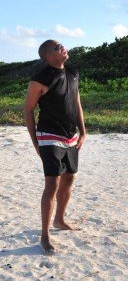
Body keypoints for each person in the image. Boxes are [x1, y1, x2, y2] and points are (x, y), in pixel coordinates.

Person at [24, 40, 86, 254]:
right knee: (52, 184)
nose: (62, 48)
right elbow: (28, 110)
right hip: (49, 135)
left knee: (69, 178)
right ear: (48, 56)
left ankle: (59, 220)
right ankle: (44, 235)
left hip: (71, 135)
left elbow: (76, 102)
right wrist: (36, 142)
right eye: (57, 47)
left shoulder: (73, 72)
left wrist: (83, 131)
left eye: (62, 45)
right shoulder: (40, 78)